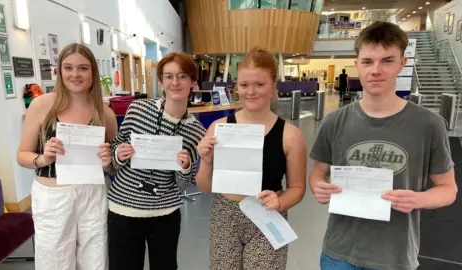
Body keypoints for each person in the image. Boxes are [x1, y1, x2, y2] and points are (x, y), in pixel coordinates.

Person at [309, 21, 458, 270]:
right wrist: (320, 188)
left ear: (402, 63)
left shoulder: (430, 125)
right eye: (368, 61)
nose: (376, 70)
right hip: (339, 254)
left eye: (387, 60)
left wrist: (418, 199)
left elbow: (448, 189)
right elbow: (317, 174)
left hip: (394, 258)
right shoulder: (334, 122)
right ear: (356, 64)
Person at [196, 46, 307, 270]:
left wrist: (281, 202)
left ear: (273, 85)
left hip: (267, 214)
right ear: (236, 85)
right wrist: (207, 162)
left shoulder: (290, 135)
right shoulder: (219, 128)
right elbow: (205, 187)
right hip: (225, 214)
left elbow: (297, 187)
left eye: (259, 84)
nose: (251, 91)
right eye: (244, 85)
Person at [16, 43, 118, 269]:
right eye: (68, 68)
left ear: (92, 71)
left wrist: (109, 161)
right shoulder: (41, 105)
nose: (75, 74)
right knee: (54, 262)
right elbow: (22, 154)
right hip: (53, 195)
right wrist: (43, 159)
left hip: (92, 193)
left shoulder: (105, 113)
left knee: (95, 260)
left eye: (82, 68)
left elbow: (114, 166)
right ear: (59, 71)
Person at [107, 51, 206, 270]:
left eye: (182, 76)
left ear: (192, 82)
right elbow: (114, 151)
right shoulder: (138, 109)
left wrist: (185, 167)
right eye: (168, 76)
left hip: (165, 213)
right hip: (124, 208)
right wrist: (119, 154)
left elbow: (183, 185)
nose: (175, 82)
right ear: (161, 80)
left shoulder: (196, 131)